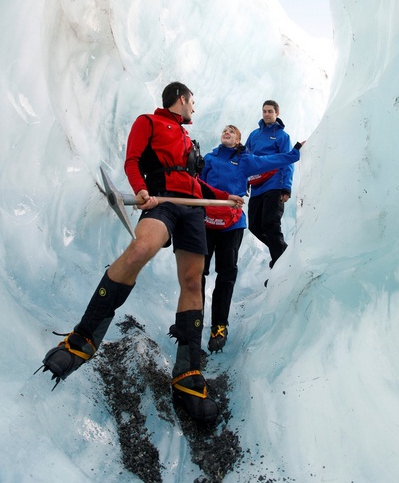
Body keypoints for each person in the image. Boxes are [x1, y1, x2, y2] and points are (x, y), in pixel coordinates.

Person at [39, 82, 243, 422]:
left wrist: (224, 197)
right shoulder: (148, 122)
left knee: (193, 281)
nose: (193, 107)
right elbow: (133, 160)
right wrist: (141, 190)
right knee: (141, 248)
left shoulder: (188, 140)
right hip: (161, 202)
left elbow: (195, 184)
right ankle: (84, 337)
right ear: (181, 98)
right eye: (192, 101)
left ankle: (188, 372)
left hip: (192, 209)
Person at [199, 125, 304, 352]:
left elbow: (273, 161)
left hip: (232, 224)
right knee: (198, 272)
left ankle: (219, 326)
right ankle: (192, 321)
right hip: (206, 222)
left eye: (232, 131)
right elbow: (197, 185)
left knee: (226, 275)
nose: (226, 132)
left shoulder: (245, 160)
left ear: (238, 140)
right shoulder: (209, 158)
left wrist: (294, 152)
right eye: (224, 130)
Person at [245, 100, 296, 270]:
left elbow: (288, 162)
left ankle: (280, 263)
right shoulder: (254, 135)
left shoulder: (282, 136)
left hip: (274, 184)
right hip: (257, 186)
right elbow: (246, 159)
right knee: (254, 225)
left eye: (270, 111)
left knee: (270, 223)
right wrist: (243, 181)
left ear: (277, 113)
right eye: (264, 111)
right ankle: (283, 253)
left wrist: (286, 187)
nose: (266, 114)